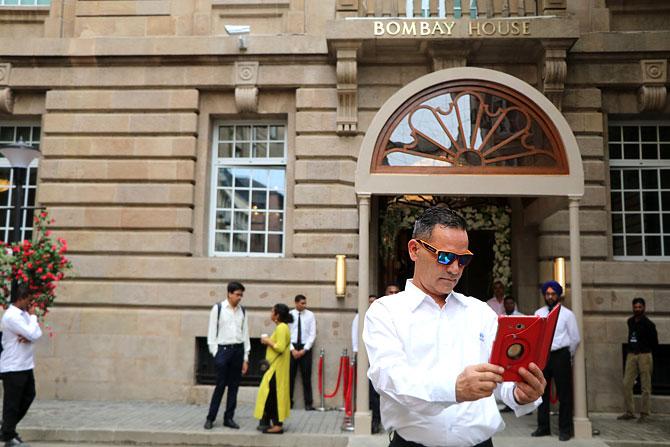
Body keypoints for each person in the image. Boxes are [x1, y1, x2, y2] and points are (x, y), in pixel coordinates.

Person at [364, 206, 545, 447]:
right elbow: (390, 379)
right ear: (414, 249)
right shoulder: (385, 311)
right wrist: (453, 388)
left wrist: (521, 394)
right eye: (445, 257)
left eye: (463, 260)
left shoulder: (480, 312)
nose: (454, 269)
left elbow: (502, 378)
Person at [531, 280, 580, 441]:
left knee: (564, 394)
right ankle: (543, 427)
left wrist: (567, 355)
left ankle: (565, 430)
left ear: (558, 295)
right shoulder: (539, 312)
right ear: (544, 295)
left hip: (561, 355)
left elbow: (575, 338)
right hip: (543, 357)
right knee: (541, 392)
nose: (550, 296)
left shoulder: (568, 314)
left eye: (553, 294)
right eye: (547, 294)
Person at [1, 283, 43, 447]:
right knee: (12, 402)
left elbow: (36, 334)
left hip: (25, 365)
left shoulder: (23, 314)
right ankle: (8, 435)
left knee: (28, 396)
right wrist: (33, 321)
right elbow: (33, 332)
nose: (30, 304)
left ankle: (6, 429)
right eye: (28, 300)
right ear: (21, 298)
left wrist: (30, 335)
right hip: (13, 366)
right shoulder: (12, 316)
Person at [204, 281, 250, 430]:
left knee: (234, 387)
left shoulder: (242, 311)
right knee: (220, 385)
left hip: (238, 350)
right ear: (229, 293)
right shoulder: (218, 309)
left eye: (241, 295)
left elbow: (245, 334)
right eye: (237, 294)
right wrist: (216, 353)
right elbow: (211, 333)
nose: (239, 297)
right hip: (223, 351)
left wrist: (245, 357)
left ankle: (228, 418)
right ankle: (210, 417)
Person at [254, 303, 293, 434]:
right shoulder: (282, 327)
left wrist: (267, 340)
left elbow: (280, 347)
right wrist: (269, 341)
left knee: (273, 396)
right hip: (276, 368)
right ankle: (271, 421)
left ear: (277, 315)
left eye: (272, 312)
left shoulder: (282, 328)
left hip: (277, 369)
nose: (270, 314)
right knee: (271, 395)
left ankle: (277, 424)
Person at [618, 297, 658, 423]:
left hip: (644, 355)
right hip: (631, 354)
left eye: (640, 307)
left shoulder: (649, 324)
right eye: (635, 307)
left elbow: (655, 343)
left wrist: (645, 351)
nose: (637, 309)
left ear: (644, 308)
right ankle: (630, 412)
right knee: (626, 383)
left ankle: (645, 413)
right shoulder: (630, 321)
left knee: (645, 386)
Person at [288, 294, 316, 410]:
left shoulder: (310, 315)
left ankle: (308, 403)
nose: (304, 305)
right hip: (292, 347)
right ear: (296, 303)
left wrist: (305, 349)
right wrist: (292, 349)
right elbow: (287, 333)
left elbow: (312, 333)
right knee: (290, 377)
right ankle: (288, 402)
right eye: (302, 303)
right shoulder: (290, 315)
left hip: (305, 347)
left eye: (305, 303)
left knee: (306, 376)